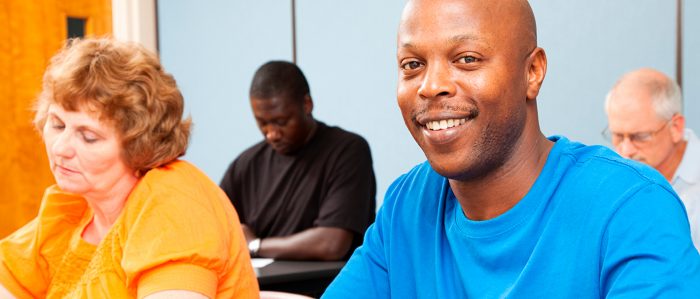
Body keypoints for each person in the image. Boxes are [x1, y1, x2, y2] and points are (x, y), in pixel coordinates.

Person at [323, 0, 700, 297]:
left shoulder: (631, 206)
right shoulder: (407, 204)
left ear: (532, 72)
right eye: (412, 64)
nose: (430, 85)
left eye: (467, 59)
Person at [0, 38, 258, 298]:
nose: (60, 148)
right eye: (57, 125)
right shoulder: (71, 208)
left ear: (138, 145)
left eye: (88, 136)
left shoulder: (174, 202)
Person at [220, 61, 376, 261]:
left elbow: (331, 244)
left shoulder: (348, 151)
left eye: (281, 122)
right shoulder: (246, 164)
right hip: (258, 288)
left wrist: (255, 245)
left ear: (307, 104)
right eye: (263, 123)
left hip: (322, 287)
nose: (272, 134)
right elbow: (216, 229)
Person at [604, 68, 699, 251]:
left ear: (676, 127)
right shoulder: (614, 180)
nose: (625, 151)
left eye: (640, 137)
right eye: (617, 136)